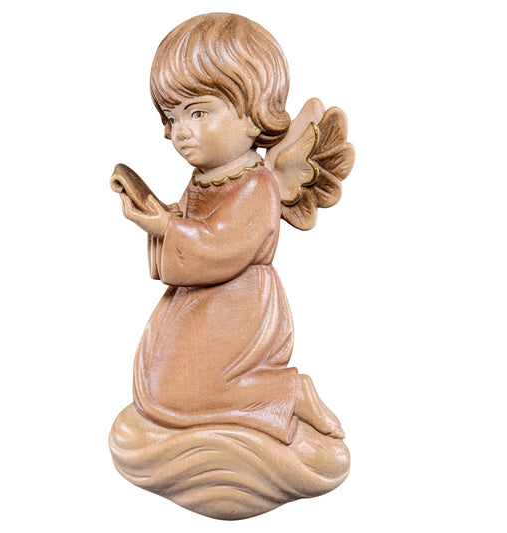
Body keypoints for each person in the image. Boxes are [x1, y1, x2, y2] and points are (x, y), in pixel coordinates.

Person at [114, 12, 344, 446]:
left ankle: (288, 393)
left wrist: (168, 227)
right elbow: (195, 226)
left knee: (185, 389)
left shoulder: (256, 185)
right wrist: (160, 216)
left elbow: (224, 244)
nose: (180, 132)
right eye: (172, 118)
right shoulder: (205, 178)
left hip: (236, 305)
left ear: (255, 114)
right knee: (163, 386)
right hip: (202, 300)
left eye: (198, 112)